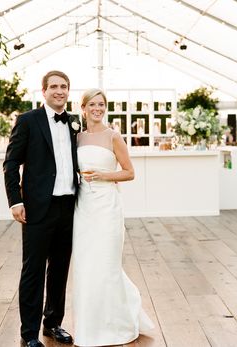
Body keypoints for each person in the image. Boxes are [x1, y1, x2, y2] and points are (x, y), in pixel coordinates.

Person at [72, 88, 154, 346]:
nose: (97, 108)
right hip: (83, 207)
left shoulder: (114, 136)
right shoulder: (76, 138)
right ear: (83, 107)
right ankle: (89, 327)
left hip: (107, 206)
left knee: (107, 264)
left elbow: (130, 173)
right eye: (92, 104)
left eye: (101, 104)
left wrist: (103, 175)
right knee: (86, 266)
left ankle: (116, 324)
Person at [3, 70, 79, 347]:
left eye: (64, 87)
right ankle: (28, 334)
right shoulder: (27, 121)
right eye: (54, 87)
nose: (60, 91)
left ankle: (53, 324)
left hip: (69, 205)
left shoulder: (73, 122)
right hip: (36, 208)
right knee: (33, 270)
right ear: (44, 91)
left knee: (59, 270)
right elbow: (11, 163)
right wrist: (16, 200)